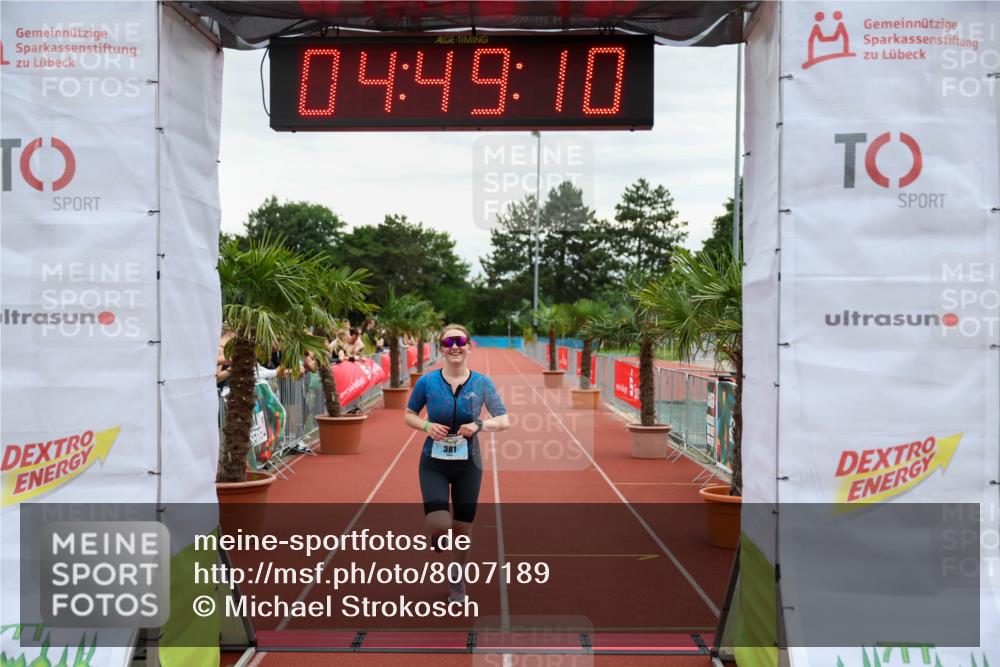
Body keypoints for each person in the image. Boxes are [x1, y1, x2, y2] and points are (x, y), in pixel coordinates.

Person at [404, 324, 510, 603]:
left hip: (469, 464)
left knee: (463, 529)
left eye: (460, 341)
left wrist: (479, 424)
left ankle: (457, 577)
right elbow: (409, 414)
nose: (454, 347)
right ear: (441, 348)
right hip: (434, 462)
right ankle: (437, 532)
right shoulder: (427, 382)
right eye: (448, 342)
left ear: (469, 347)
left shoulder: (482, 383)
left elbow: (504, 419)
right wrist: (427, 426)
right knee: (440, 523)